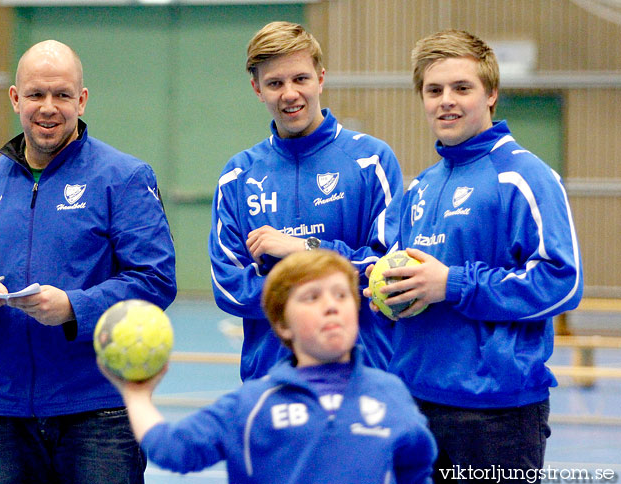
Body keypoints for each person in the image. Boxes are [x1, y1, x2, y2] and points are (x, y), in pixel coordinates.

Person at [0, 40, 177, 484]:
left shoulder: (124, 178)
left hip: (98, 415)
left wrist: (73, 307)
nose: (49, 108)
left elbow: (156, 281)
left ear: (81, 100)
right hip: (5, 417)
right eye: (36, 94)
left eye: (62, 95)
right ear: (15, 99)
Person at [364, 30, 583, 483]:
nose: (447, 101)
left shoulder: (526, 177)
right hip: (414, 403)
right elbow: (382, 260)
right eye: (434, 90)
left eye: (462, 88)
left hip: (494, 417)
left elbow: (561, 280)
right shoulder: (420, 186)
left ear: (491, 93)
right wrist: (384, 291)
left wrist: (453, 285)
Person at [102, 249, 437, 484]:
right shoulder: (253, 405)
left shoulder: (392, 395)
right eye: (311, 297)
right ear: (282, 325)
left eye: (341, 295)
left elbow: (416, 467)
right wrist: (136, 394)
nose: (331, 307)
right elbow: (173, 450)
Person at [209, 21, 404, 381]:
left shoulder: (371, 161)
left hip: (363, 376)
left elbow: (385, 271)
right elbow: (229, 288)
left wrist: (303, 249)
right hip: (272, 380)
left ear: (321, 78)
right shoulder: (238, 177)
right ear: (257, 89)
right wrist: (330, 288)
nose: (289, 94)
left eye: (300, 79)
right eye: (275, 83)